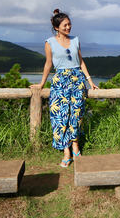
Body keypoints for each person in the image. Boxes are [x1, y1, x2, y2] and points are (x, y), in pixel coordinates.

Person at [30, 9, 98, 167]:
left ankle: (75, 147)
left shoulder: (76, 40)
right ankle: (66, 151)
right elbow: (48, 64)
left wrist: (89, 80)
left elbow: (81, 62)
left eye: (70, 24)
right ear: (56, 27)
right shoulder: (49, 42)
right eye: (65, 25)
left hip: (77, 80)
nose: (69, 27)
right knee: (60, 116)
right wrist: (41, 83)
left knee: (76, 114)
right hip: (60, 81)